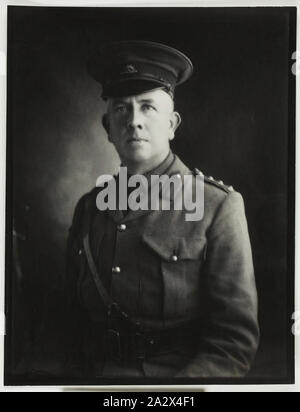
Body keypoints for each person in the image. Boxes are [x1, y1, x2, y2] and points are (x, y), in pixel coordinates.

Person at [64, 41, 259, 379]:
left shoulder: (217, 207)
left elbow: (232, 343)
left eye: (148, 107)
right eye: (122, 109)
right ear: (107, 126)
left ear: (172, 124)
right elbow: (64, 322)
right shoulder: (89, 208)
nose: (134, 121)